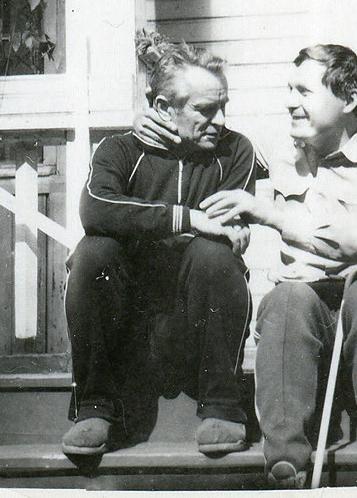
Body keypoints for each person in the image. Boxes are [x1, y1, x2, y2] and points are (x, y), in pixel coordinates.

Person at [136, 43, 357, 487]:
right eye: (290, 90)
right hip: (307, 312)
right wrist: (151, 121)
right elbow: (205, 135)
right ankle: (285, 468)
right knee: (286, 298)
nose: (290, 102)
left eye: (304, 92)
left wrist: (269, 213)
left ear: (349, 99)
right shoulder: (277, 147)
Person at [62, 36, 257, 459]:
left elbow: (226, 228)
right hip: (127, 328)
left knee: (214, 254)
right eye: (205, 110)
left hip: (193, 329)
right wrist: (188, 219)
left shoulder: (235, 151)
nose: (221, 120)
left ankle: (222, 407)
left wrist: (149, 224)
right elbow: (96, 208)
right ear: (163, 108)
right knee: (93, 252)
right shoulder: (119, 149)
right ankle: (95, 407)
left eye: (223, 107)